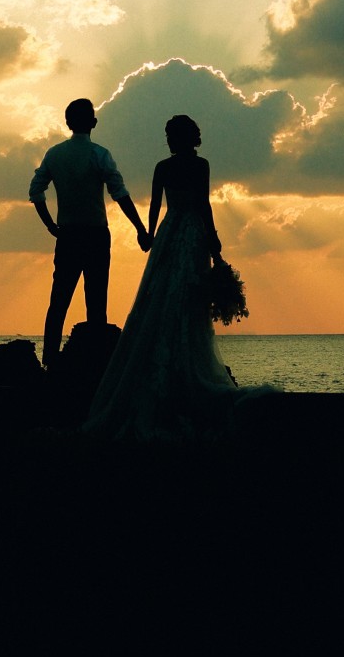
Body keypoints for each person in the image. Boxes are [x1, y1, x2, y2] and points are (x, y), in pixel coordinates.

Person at [83, 112, 237, 440]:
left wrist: (154, 233)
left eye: (171, 135)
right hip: (189, 231)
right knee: (176, 292)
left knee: (173, 292)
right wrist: (210, 240)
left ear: (183, 137)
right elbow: (185, 204)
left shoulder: (170, 167)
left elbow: (169, 204)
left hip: (178, 231)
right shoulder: (193, 165)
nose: (167, 140)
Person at [28, 97, 149, 365]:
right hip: (95, 234)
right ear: (93, 122)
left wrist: (50, 225)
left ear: (68, 122)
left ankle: (49, 359)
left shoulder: (54, 154)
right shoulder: (99, 154)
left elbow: (36, 191)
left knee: (58, 300)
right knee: (96, 301)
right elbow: (120, 193)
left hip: (67, 235)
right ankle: (95, 361)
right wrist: (140, 228)